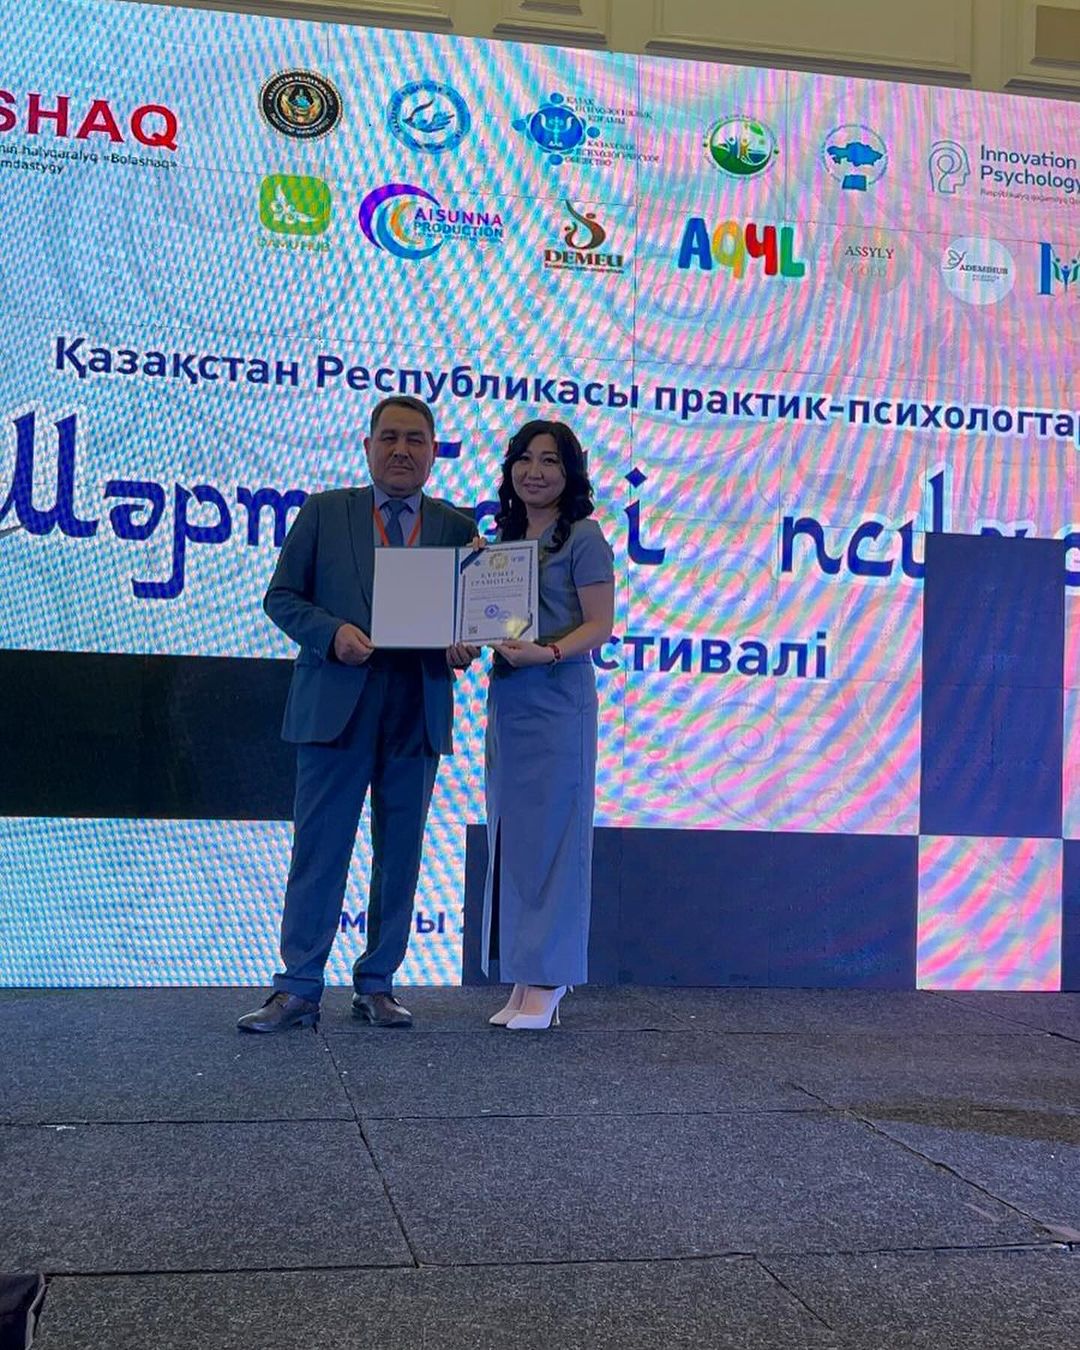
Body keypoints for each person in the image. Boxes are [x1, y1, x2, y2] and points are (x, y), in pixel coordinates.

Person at [238, 396, 477, 1033]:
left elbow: (471, 624)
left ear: (434, 451)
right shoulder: (324, 512)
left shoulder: (458, 529)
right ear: (367, 446)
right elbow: (281, 598)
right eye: (390, 437)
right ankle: (297, 987)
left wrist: (465, 645)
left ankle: (378, 984)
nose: (402, 450)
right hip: (334, 705)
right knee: (320, 849)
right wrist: (332, 633)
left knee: (400, 855)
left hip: (416, 707)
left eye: (415, 440)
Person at [482, 419, 615, 1030]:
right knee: (515, 840)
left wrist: (550, 652)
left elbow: (600, 625)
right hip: (510, 701)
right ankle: (524, 972)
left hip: (560, 698)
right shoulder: (502, 541)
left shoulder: (585, 536)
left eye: (550, 461)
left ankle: (551, 977)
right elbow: (492, 622)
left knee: (557, 840)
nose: (534, 472)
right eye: (524, 459)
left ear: (571, 473)